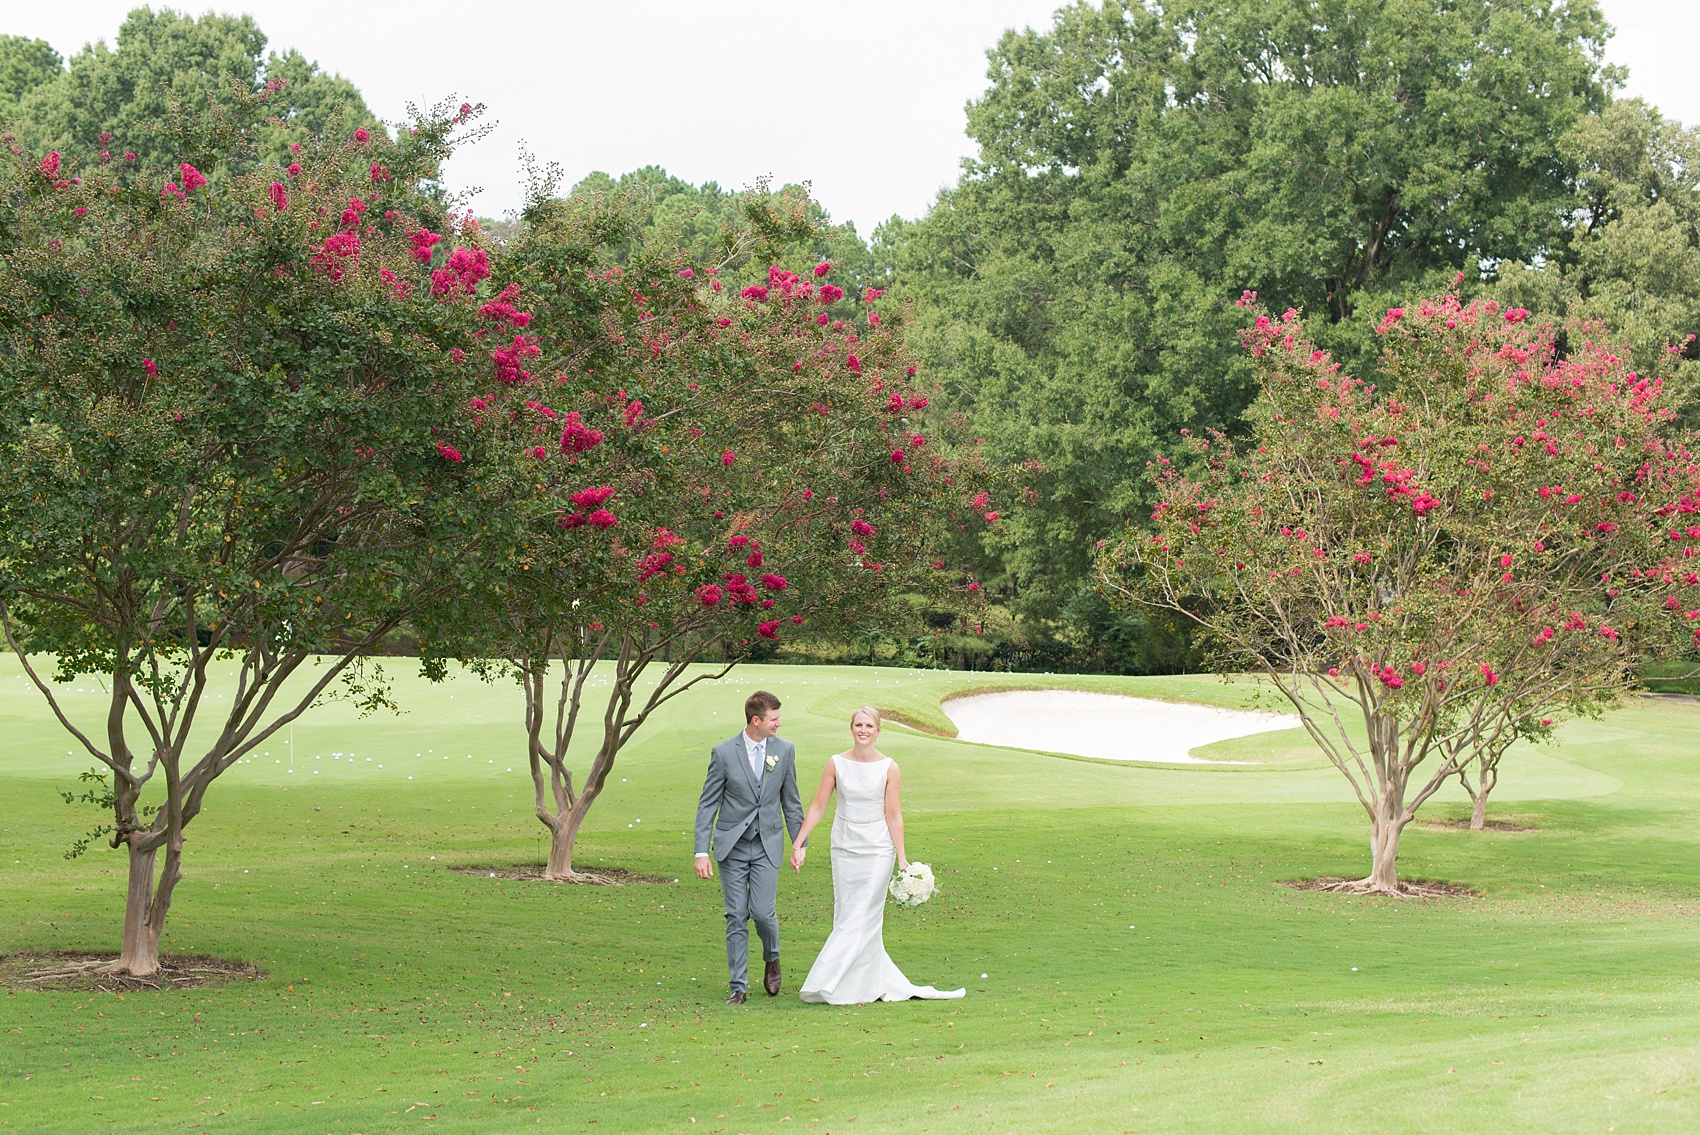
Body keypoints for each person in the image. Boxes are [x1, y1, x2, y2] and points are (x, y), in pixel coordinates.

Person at [793, 707, 964, 1004]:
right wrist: (799, 842)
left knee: (862, 914)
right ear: (851, 728)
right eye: (858, 724)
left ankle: (823, 979)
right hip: (844, 847)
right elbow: (819, 805)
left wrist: (902, 858)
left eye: (869, 725)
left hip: (877, 850)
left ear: (878, 730)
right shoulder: (835, 763)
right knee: (847, 912)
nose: (863, 730)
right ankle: (860, 984)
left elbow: (894, 815)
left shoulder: (889, 767)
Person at [693, 690, 804, 1005]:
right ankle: (738, 986)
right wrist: (701, 851)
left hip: (768, 844)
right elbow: (707, 805)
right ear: (756, 720)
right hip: (732, 847)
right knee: (736, 915)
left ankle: (772, 956)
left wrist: (799, 844)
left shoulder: (785, 750)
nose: (779, 724)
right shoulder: (724, 753)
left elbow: (791, 802)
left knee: (763, 913)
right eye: (774, 719)